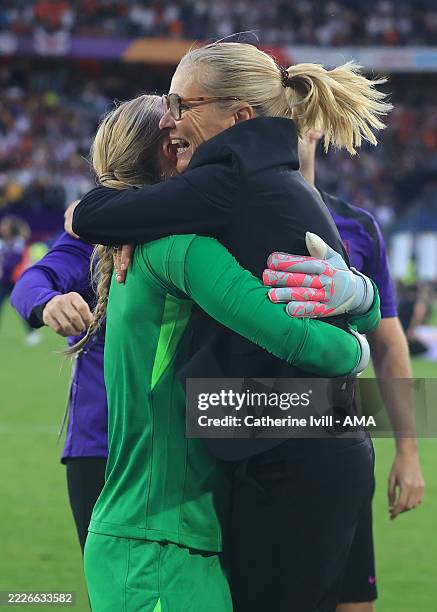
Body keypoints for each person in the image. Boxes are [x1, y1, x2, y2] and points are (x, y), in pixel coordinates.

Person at [68, 43, 391, 611]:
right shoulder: (227, 206)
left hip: (285, 446)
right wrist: (359, 317)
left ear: (238, 118)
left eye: (182, 104)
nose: (174, 118)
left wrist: (354, 330)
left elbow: (88, 215)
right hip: (293, 439)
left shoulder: (214, 201)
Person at [289, 130, 425, 612]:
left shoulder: (356, 225)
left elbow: (389, 345)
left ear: (315, 131)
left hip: (337, 434)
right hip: (246, 427)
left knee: (351, 601)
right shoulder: (232, 217)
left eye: (292, 122)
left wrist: (408, 453)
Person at [10, 231, 106, 553]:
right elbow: (29, 284)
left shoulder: (214, 217)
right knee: (114, 593)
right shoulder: (99, 229)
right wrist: (49, 302)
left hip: (199, 433)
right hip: (100, 443)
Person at [0, 215, 41, 346]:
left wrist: (3, 266)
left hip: (14, 281)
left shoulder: (17, 241)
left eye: (5, 225)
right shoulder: (2, 242)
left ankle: (32, 333)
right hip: (3, 282)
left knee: (19, 308)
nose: (2, 227)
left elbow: (16, 259)